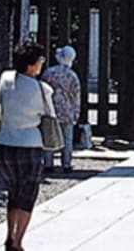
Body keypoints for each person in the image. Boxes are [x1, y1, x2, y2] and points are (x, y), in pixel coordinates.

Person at [0, 40, 57, 251]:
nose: (41, 65)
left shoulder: (5, 79)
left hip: (5, 143)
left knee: (13, 193)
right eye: (40, 61)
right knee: (27, 195)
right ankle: (18, 241)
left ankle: (9, 235)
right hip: (29, 145)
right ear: (31, 65)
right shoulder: (42, 89)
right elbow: (49, 115)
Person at [40, 45, 81, 174]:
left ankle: (48, 163)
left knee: (49, 137)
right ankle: (67, 164)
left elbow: (43, 91)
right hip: (67, 111)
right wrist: (76, 112)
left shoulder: (49, 73)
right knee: (67, 139)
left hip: (51, 109)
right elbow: (76, 96)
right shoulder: (72, 76)